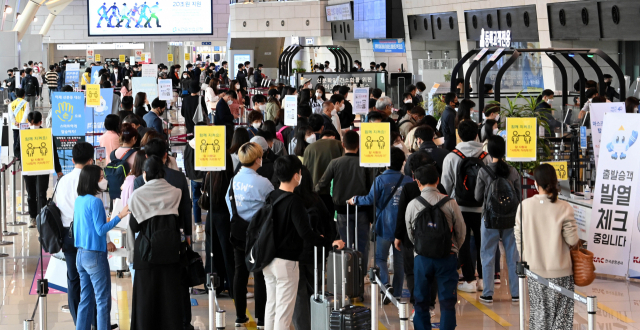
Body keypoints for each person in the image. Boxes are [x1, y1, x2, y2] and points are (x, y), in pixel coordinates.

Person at [263, 156, 345, 330]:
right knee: (284, 313)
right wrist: (329, 242)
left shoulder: (271, 196)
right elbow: (306, 233)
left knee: (272, 306)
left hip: (267, 258)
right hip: (286, 262)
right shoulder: (294, 202)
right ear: (295, 176)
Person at [515, 164, 579, 329]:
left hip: (535, 272)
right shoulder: (565, 207)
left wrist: (525, 258)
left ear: (536, 183)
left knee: (539, 318)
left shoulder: (524, 206)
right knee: (561, 321)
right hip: (561, 272)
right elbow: (572, 240)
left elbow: (519, 238)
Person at [405, 165, 466, 330]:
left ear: (418, 182)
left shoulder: (413, 205)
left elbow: (411, 233)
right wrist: (454, 248)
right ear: (438, 180)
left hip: (422, 259)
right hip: (447, 257)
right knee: (447, 302)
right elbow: (461, 231)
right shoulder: (450, 203)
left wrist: (420, 248)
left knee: (421, 301)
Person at [348, 147, 412, 303]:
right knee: (399, 261)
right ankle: (396, 292)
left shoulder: (380, 180)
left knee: (380, 258)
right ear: (402, 163)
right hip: (402, 228)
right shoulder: (409, 181)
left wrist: (355, 200)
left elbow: (370, 200)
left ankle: (385, 285)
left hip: (384, 225)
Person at [315, 130, 373, 297]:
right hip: (361, 210)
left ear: (343, 145)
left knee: (344, 245)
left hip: (341, 211)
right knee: (362, 246)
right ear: (359, 145)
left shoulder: (335, 163)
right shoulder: (365, 164)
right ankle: (360, 283)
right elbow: (370, 188)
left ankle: (346, 283)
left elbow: (322, 185)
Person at [128, 156, 184, 330]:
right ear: (163, 173)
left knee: (145, 301)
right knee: (169, 299)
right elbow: (180, 221)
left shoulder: (137, 195)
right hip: (170, 252)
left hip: (146, 254)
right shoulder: (176, 192)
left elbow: (134, 226)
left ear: (145, 174)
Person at [74, 164, 128, 330]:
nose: (103, 180)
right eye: (101, 177)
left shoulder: (79, 200)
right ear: (93, 180)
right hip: (95, 256)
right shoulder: (95, 202)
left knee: (86, 298)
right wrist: (120, 216)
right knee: (102, 300)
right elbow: (100, 230)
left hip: (81, 255)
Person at [441, 120, 492, 292]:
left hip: (459, 207)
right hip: (482, 207)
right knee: (482, 243)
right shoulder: (486, 156)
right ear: (477, 134)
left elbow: (446, 186)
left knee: (462, 242)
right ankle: (484, 279)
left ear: (459, 136)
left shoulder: (452, 156)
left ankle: (469, 280)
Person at [225, 142, 271, 328]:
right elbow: (271, 207)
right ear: (257, 159)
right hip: (258, 234)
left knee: (240, 273)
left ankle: (239, 316)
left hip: (237, 232)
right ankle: (260, 318)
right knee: (259, 274)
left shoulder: (233, 181)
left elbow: (230, 206)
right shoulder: (263, 183)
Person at [474, 135, 521, 303]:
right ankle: (516, 293)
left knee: (487, 254)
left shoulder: (483, 171)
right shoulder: (513, 171)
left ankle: (488, 293)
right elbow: (518, 196)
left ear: (488, 151)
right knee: (513, 255)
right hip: (511, 218)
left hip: (490, 219)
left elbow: (478, 196)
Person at [54, 143, 95, 326]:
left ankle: (78, 321)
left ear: (72, 160)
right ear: (91, 160)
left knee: (73, 279)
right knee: (92, 278)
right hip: (87, 235)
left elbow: (56, 207)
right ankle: (93, 320)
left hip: (67, 234)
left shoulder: (62, 181)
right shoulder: (91, 180)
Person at [394, 151, 437, 315]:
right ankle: (431, 304)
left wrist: (398, 236)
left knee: (411, 272)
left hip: (410, 238)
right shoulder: (439, 188)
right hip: (435, 238)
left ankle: (417, 304)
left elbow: (402, 214)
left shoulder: (409, 188)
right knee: (431, 273)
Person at [23, 112, 62, 228]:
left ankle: (43, 217)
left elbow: (53, 153)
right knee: (31, 194)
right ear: (28, 123)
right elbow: (17, 150)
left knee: (41, 194)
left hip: (42, 168)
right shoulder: (24, 135)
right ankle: (33, 217)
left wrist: (58, 169)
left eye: (35, 123)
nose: (33, 125)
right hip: (29, 168)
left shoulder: (46, 134)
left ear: (41, 122)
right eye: (31, 123)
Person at [303, 128, 344, 216]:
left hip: (315, 191)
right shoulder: (340, 145)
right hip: (336, 191)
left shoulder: (309, 148)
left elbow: (305, 171)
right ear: (333, 137)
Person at [9, 88, 30, 159]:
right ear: (24, 95)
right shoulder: (26, 103)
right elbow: (26, 114)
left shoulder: (11, 104)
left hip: (15, 126)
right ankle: (24, 155)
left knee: (15, 140)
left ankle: (16, 155)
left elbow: (11, 115)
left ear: (16, 95)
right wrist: (21, 123)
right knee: (24, 140)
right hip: (24, 126)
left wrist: (15, 123)